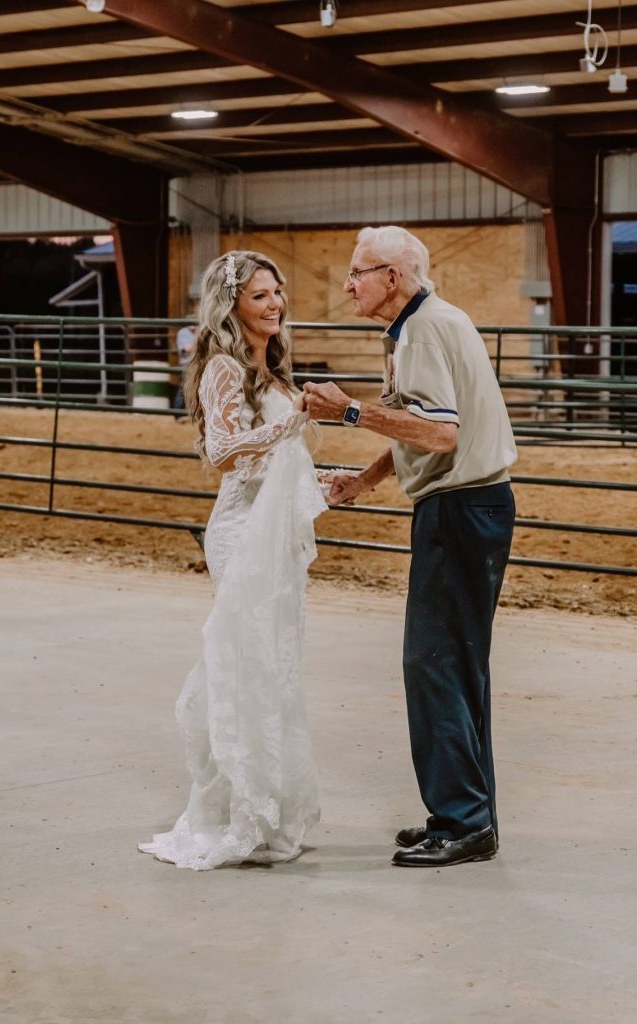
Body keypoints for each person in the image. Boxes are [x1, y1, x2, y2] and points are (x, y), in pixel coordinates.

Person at [304, 226, 517, 868]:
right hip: (471, 507)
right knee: (456, 662)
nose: (348, 285)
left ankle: (462, 821)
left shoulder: (423, 329)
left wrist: (348, 412)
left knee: (434, 663)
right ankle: (469, 814)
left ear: (392, 276)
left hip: (458, 507)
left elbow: (440, 434)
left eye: (358, 272)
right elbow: (417, 423)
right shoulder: (423, 325)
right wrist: (364, 479)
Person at [139, 251, 327, 870]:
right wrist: (295, 419)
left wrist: (331, 479)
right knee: (245, 661)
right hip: (242, 530)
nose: (275, 304)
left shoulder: (268, 370)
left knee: (271, 664)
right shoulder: (222, 367)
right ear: (232, 307)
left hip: (270, 529)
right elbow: (223, 453)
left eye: (277, 293)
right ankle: (236, 813)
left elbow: (277, 461)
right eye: (260, 297)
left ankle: (265, 807)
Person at [172, 318, 197, 411]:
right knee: (183, 388)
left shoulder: (199, 331)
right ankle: (178, 412)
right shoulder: (182, 332)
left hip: (197, 363)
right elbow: (186, 349)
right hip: (186, 364)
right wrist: (197, 343)